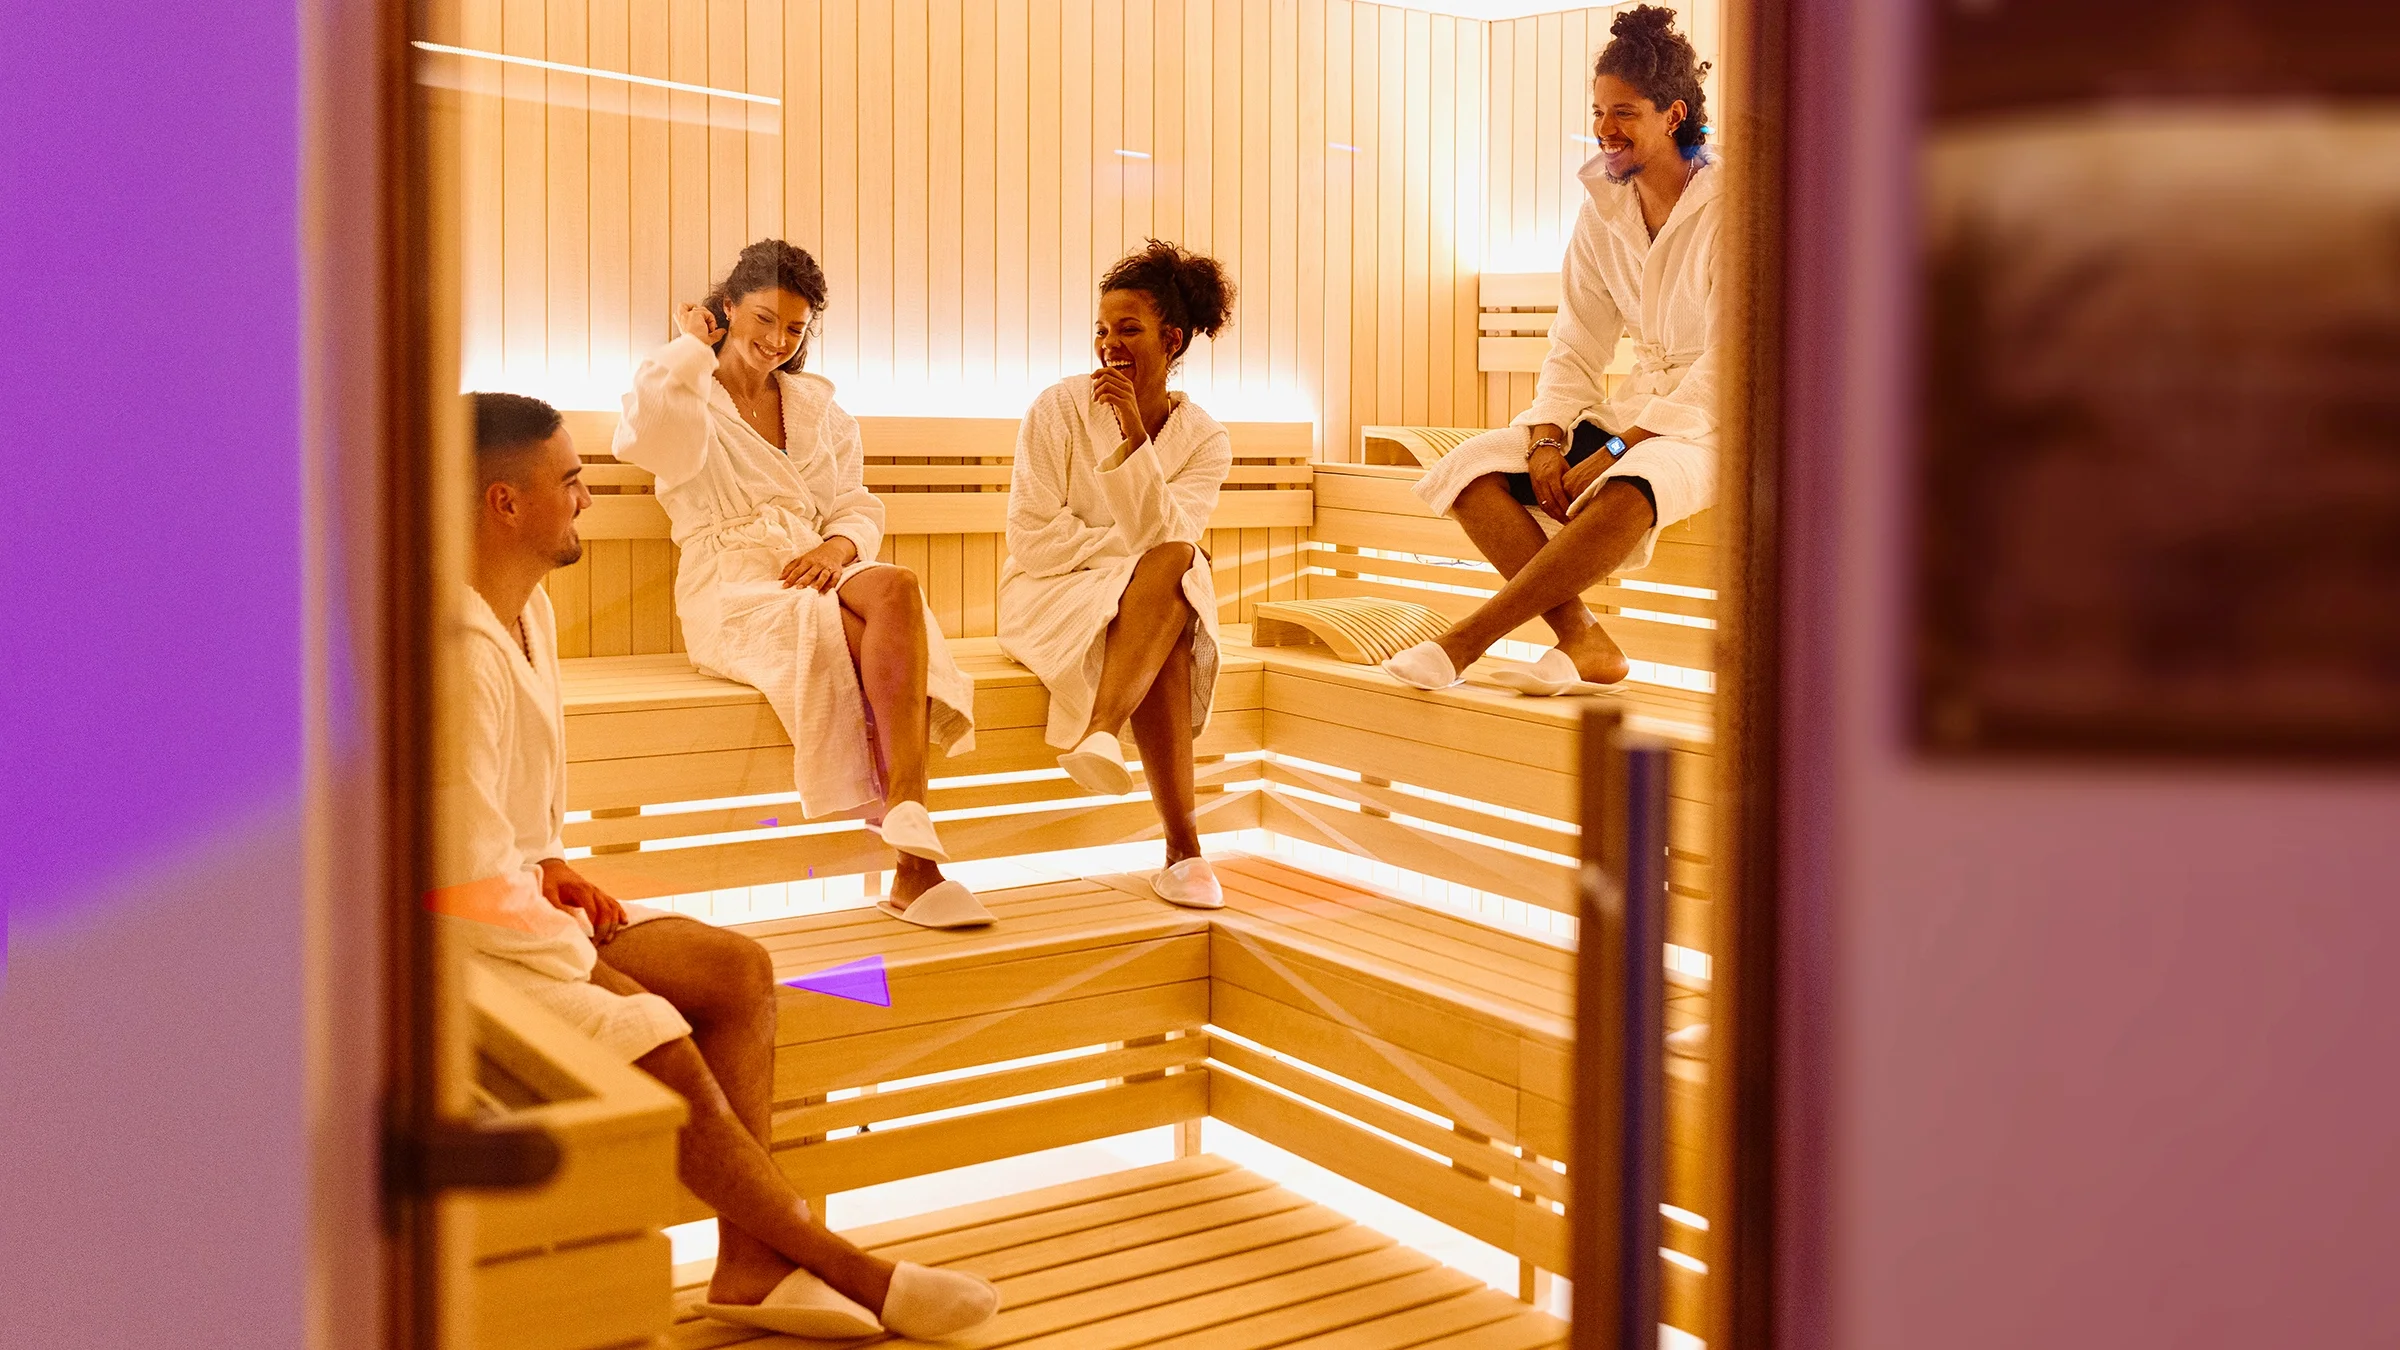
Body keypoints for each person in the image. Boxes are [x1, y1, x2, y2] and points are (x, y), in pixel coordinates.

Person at [430, 392, 1000, 1340]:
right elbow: (455, 871)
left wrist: (556, 863)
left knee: (736, 970)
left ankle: (747, 1268)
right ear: (505, 503)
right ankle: (853, 1268)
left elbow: (503, 817)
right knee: (648, 1020)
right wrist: (581, 955)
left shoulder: (529, 619)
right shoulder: (453, 646)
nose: (586, 500)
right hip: (455, 952)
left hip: (516, 907)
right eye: (569, 482)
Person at [615, 240, 991, 929]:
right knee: (864, 642)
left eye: (794, 328)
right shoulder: (688, 393)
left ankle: (907, 807)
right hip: (733, 586)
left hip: (814, 566)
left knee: (899, 586)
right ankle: (916, 870)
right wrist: (690, 349)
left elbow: (854, 502)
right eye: (763, 320)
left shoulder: (816, 409)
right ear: (726, 308)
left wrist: (836, 545)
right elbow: (644, 436)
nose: (777, 341)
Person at [1385, 4, 1722, 696]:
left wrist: (1620, 446)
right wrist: (1546, 433)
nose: (1604, 129)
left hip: (1718, 420)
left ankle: (1464, 640)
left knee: (1636, 481)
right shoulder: (1603, 209)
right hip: (1644, 407)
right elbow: (1576, 339)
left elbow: (1733, 366)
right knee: (1472, 467)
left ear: (1673, 114)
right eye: (1598, 110)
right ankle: (1583, 640)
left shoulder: (1734, 205)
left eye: (1623, 112)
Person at [998, 241, 1239, 910]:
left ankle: (1104, 730)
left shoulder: (1206, 440)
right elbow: (1035, 542)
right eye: (1102, 329)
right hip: (1046, 595)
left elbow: (1167, 544)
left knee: (1175, 579)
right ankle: (1184, 849)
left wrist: (1135, 432)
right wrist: (1132, 563)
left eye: (1128, 329)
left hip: (1144, 596)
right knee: (1174, 591)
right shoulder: (1056, 409)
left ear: (1172, 338)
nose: (1109, 344)